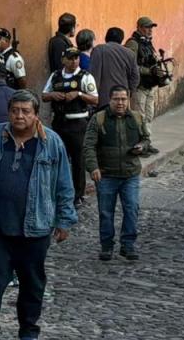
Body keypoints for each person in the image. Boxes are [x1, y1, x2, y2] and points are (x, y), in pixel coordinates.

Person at [0, 90, 78, 340]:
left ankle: (28, 328)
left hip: (36, 227)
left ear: (35, 114)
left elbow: (64, 183)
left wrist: (64, 219)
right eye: (15, 110)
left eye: (25, 111)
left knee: (32, 282)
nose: (19, 116)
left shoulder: (51, 143)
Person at [84, 85, 150, 261]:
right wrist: (93, 168)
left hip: (130, 174)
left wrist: (141, 147)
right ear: (110, 100)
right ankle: (106, 246)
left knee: (132, 208)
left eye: (124, 99)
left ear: (128, 100)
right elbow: (88, 146)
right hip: (106, 175)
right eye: (117, 99)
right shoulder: (98, 119)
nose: (120, 103)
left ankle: (128, 245)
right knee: (106, 212)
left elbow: (146, 139)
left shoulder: (136, 118)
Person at [42, 47, 98, 207]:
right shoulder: (55, 76)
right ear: (63, 60)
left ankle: (77, 195)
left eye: (76, 58)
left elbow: (95, 99)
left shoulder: (85, 77)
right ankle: (59, 192)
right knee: (58, 159)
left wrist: (79, 94)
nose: (74, 61)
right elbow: (44, 95)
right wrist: (53, 95)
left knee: (78, 161)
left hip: (78, 123)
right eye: (71, 58)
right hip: (59, 123)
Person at [126, 16, 165, 149]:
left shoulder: (147, 43)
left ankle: (147, 142)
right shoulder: (133, 43)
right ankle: (138, 145)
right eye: (147, 27)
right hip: (139, 86)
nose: (150, 30)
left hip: (149, 86)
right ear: (139, 27)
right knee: (139, 117)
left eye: (151, 28)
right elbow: (130, 65)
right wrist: (149, 71)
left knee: (149, 115)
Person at [90, 27, 139, 110]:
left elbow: (93, 75)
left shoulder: (99, 49)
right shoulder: (130, 54)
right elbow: (135, 77)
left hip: (104, 99)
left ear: (106, 37)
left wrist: (92, 96)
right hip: (122, 99)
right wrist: (128, 92)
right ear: (121, 39)